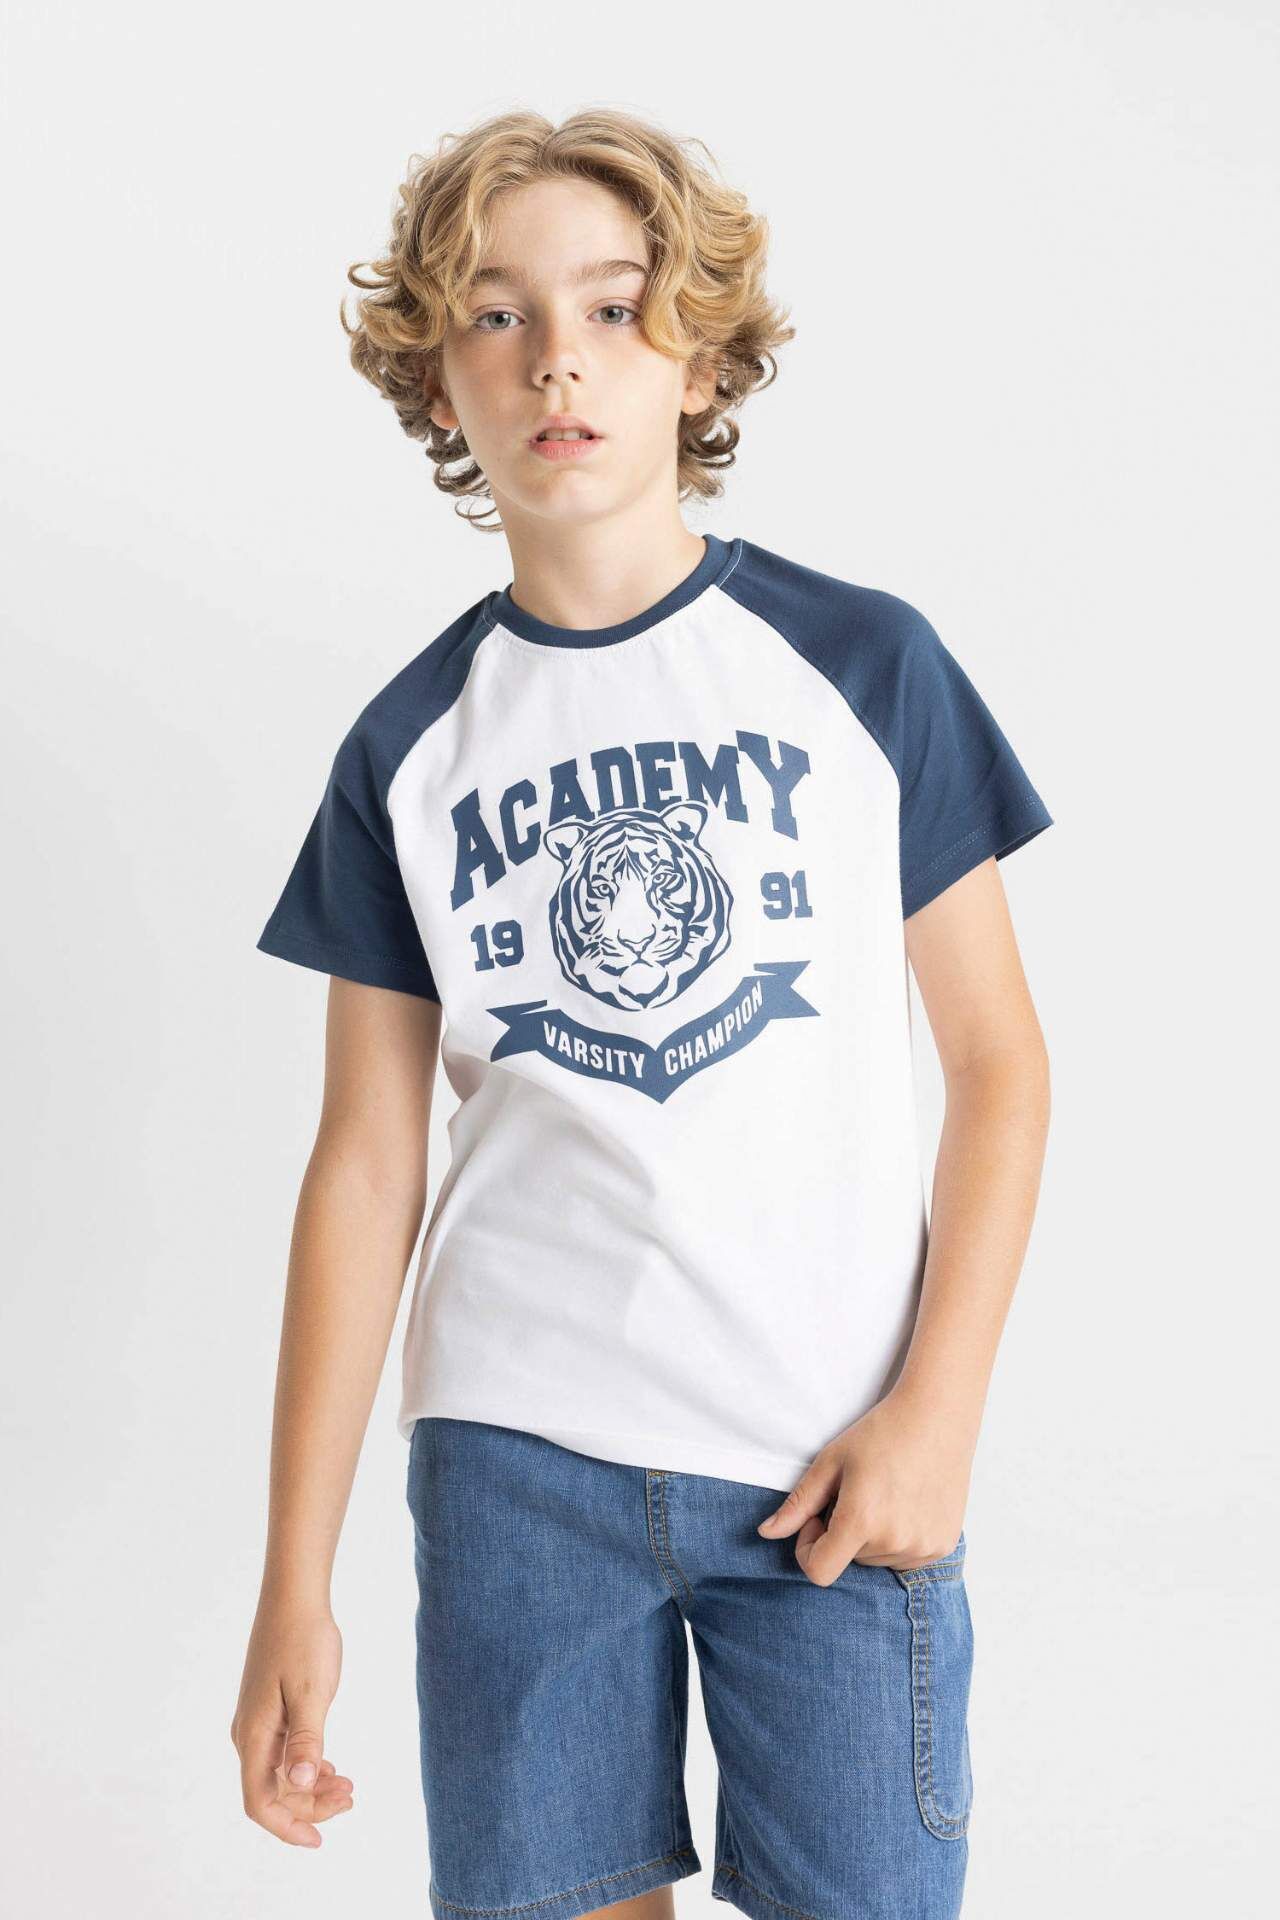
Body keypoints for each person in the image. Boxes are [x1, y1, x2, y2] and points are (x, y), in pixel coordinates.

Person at [231, 106, 1053, 1920]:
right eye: (498, 315)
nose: (559, 360)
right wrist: (297, 1574)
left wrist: (940, 1411)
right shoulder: (408, 749)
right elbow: (362, 1169)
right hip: (518, 1467)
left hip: (830, 1459)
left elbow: (999, 1066)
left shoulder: (866, 666)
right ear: (436, 377)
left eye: (613, 308)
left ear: (702, 354)